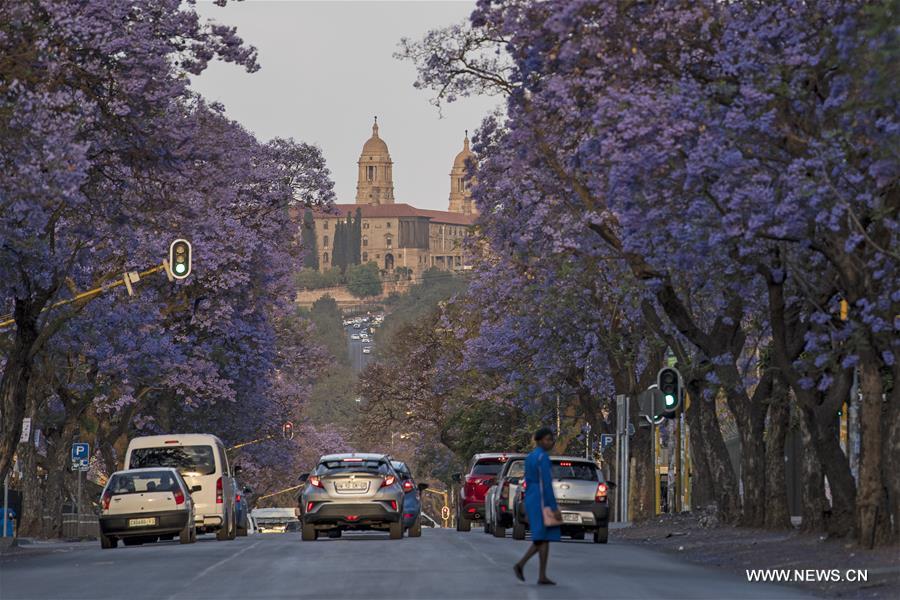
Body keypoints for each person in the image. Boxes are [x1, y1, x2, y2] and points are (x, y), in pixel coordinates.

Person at [514, 427, 560, 585]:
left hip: (532, 498)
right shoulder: (542, 458)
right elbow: (546, 484)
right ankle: (521, 564)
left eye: (551, 439)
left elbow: (528, 482)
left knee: (544, 538)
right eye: (547, 439)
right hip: (541, 500)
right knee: (541, 537)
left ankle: (542, 575)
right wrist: (554, 508)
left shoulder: (530, 457)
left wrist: (527, 506)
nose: (550, 442)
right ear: (539, 441)